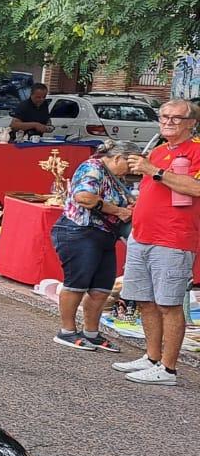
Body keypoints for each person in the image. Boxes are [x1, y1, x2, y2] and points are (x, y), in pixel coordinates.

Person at [113, 99, 200, 385]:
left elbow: (195, 188)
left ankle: (168, 369)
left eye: (176, 118)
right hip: (142, 235)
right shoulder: (160, 151)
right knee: (144, 300)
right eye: (164, 116)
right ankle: (151, 358)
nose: (168, 122)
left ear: (191, 123)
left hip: (173, 239)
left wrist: (154, 172)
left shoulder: (196, 151)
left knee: (169, 304)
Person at [50, 140, 135, 351]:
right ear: (118, 158)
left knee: (101, 288)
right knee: (76, 284)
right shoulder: (93, 168)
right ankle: (67, 331)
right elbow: (84, 197)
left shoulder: (116, 177)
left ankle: (91, 332)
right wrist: (118, 211)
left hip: (104, 235)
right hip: (79, 232)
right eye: (131, 163)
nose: (133, 169)